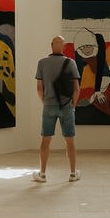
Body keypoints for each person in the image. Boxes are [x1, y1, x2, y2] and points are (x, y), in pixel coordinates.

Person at [32, 35, 81, 183]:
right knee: (70, 141)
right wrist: (72, 105)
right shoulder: (71, 63)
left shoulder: (42, 63)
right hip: (66, 106)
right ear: (64, 47)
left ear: (51, 45)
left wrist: (45, 102)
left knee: (45, 140)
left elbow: (39, 88)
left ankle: (42, 174)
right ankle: (73, 174)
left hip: (49, 105)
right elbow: (76, 89)